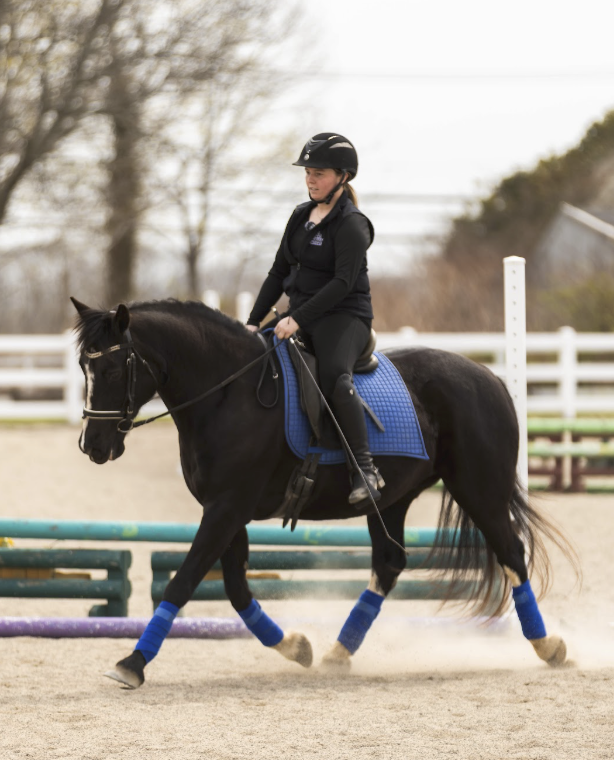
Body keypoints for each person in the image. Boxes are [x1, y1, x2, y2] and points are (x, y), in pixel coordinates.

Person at [246, 132, 384, 505]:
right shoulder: (300, 216)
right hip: (303, 313)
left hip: (344, 317)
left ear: (343, 176)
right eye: (307, 172)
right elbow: (277, 273)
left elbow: (342, 284)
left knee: (334, 378)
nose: (310, 180)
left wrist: (298, 319)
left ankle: (366, 470)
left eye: (318, 173)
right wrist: (251, 322)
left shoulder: (353, 225)